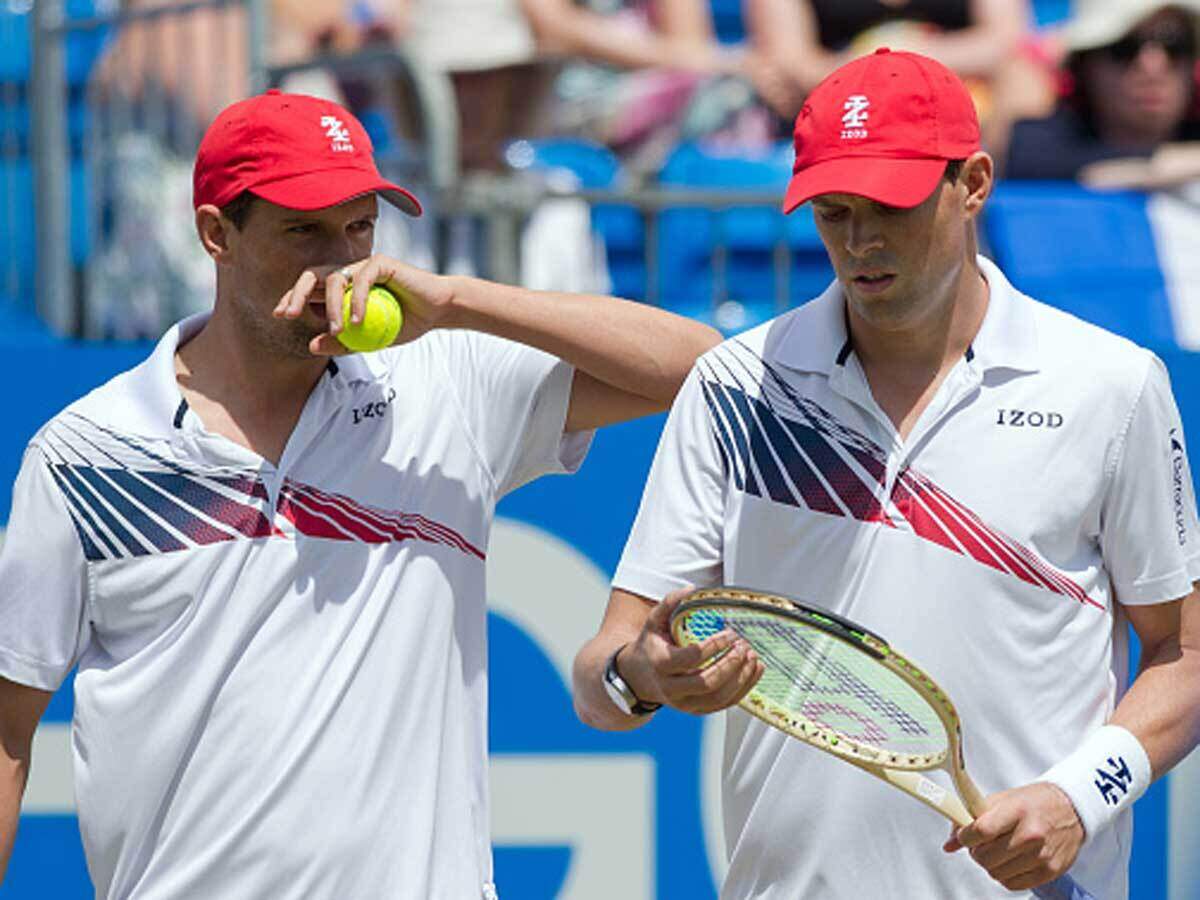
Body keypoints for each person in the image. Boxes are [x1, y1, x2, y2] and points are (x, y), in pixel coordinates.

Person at [0, 90, 721, 898]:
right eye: (303, 230)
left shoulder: (448, 380)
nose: (340, 261)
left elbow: (702, 366)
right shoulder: (84, 453)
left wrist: (458, 301)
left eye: (359, 226)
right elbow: (6, 730)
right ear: (215, 234)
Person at [573, 48, 1200, 899]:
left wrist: (1078, 798)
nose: (860, 241)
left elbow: (1185, 655)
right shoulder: (736, 385)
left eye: (890, 208)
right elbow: (602, 675)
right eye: (832, 212)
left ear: (972, 183)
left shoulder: (1111, 385)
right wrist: (642, 674)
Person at [1005, 0, 1200, 188]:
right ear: (1084, 65)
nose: (1153, 67)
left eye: (1175, 45)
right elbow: (1030, 160)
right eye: (1124, 48)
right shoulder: (1039, 144)